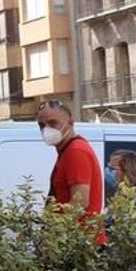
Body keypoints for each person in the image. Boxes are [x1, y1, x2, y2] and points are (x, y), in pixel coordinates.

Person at [39, 100, 106, 245]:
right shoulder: (69, 150)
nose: (46, 130)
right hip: (76, 241)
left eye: (53, 123)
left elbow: (80, 201)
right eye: (42, 125)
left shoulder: (75, 151)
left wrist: (54, 233)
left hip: (81, 244)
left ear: (71, 123)